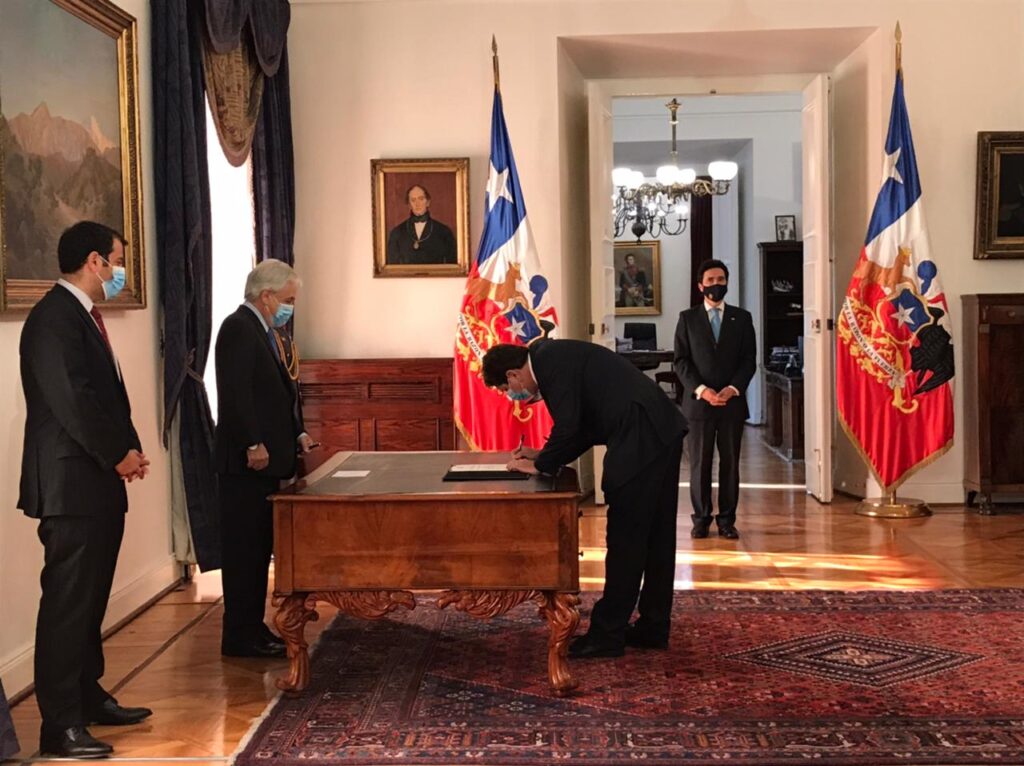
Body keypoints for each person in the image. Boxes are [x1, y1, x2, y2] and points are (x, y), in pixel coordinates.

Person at [18, 220, 153, 758]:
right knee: (67, 606)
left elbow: (105, 396)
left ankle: (87, 695)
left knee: (91, 600)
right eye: (117, 261)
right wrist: (116, 453)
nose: (120, 272)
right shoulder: (53, 317)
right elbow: (73, 401)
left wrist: (129, 449)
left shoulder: (83, 315)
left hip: (94, 481)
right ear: (95, 261)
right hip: (70, 485)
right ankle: (60, 725)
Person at [482, 340, 687, 658]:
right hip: (659, 429)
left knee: (626, 538)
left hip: (641, 437)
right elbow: (583, 428)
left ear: (513, 375)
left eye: (505, 389)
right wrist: (542, 456)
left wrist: (539, 465)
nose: (512, 396)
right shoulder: (550, 357)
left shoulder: (548, 364)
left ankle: (608, 634)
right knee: (656, 537)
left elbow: (569, 426)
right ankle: (653, 626)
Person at [214, 260, 315, 658]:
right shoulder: (238, 328)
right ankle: (240, 636)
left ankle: (252, 629)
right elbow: (236, 394)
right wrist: (253, 443)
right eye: (288, 299)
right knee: (244, 553)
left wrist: (297, 433)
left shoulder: (267, 331)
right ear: (267, 295)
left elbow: (279, 394)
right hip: (246, 464)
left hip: (266, 461)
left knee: (258, 552)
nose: (290, 307)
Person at [673, 259, 756, 540]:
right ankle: (701, 519)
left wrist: (733, 388)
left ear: (727, 282)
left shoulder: (742, 318)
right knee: (700, 464)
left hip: (732, 404)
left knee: (730, 464)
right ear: (700, 286)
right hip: (699, 405)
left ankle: (727, 521)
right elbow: (681, 361)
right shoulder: (688, 319)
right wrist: (702, 390)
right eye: (710, 280)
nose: (716, 284)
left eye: (721, 279)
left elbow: (748, 360)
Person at [385, 184, 457, 265]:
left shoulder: (444, 232)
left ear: (428, 202)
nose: (417, 204)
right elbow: (393, 267)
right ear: (409, 205)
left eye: (421, 199)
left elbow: (452, 265)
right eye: (413, 200)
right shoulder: (397, 233)